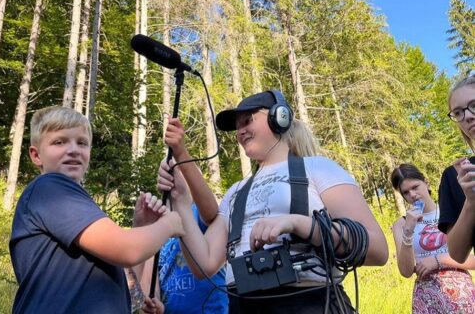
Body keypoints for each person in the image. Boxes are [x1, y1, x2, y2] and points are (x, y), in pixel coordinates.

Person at [157, 90, 388, 314]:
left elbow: (377, 249)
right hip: (242, 305)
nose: (241, 131)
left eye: (248, 121)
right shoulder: (234, 192)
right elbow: (203, 264)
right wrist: (181, 202)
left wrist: (300, 224)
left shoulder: (318, 168)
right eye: (238, 127)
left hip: (311, 301)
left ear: (280, 118)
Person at [9, 106, 183, 313]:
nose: (73, 149)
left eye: (82, 143)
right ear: (36, 155)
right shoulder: (49, 189)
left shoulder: (78, 207)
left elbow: (128, 290)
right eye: (59, 142)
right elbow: (127, 249)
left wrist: (141, 226)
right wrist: (171, 223)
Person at [390, 163, 475, 313]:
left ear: (426, 182)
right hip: (427, 297)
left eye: (415, 187)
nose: (413, 194)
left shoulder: (452, 212)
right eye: (406, 192)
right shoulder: (401, 224)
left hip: (461, 292)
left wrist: (439, 260)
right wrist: (408, 231)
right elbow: (406, 271)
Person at [438, 73, 475, 264]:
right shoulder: (457, 175)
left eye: (474, 106)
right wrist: (471, 201)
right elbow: (457, 254)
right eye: (459, 113)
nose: (467, 116)